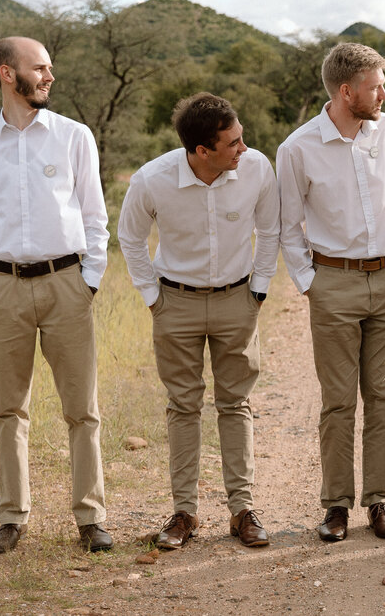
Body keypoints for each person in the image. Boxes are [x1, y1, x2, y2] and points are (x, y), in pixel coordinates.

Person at [0, 36, 112, 553]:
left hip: (67, 284)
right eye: (39, 68)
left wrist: (89, 280)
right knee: (8, 409)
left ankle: (91, 517)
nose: (49, 76)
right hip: (0, 288)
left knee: (81, 409)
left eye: (50, 68)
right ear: (6, 74)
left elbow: (95, 217)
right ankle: (12, 518)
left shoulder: (74, 136)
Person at [117, 93, 278, 550]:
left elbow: (270, 229)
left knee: (236, 403)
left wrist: (260, 288)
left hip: (236, 299)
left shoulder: (257, 169)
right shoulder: (152, 179)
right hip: (176, 303)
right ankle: (184, 513)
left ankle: (242, 510)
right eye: (234, 143)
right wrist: (152, 296)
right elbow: (129, 236)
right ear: (201, 151)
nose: (243, 149)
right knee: (182, 406)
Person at [279, 43, 385, 543]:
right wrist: (310, 282)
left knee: (383, 396)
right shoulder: (297, 148)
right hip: (333, 283)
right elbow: (288, 223)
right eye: (376, 85)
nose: (384, 94)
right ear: (346, 91)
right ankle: (335, 505)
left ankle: (379, 501)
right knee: (338, 401)